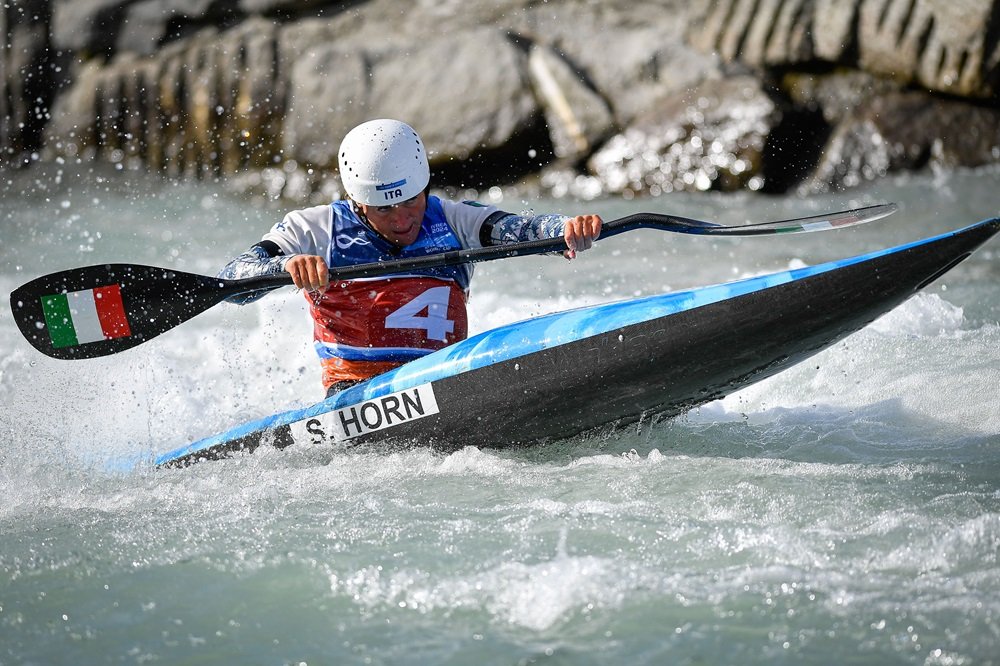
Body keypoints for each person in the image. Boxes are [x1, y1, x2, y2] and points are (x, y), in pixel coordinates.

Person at [220, 118, 603, 397]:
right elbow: (233, 281)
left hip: (444, 381)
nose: (403, 221)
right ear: (357, 202)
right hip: (354, 395)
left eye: (411, 202)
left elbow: (523, 229)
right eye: (384, 211)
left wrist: (566, 229)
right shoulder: (314, 229)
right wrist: (284, 266)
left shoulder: (455, 218)